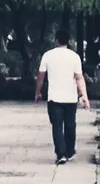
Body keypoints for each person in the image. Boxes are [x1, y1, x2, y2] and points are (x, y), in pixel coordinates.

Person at [35, 31, 88, 165]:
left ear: (56, 40)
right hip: (70, 97)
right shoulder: (74, 57)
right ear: (68, 41)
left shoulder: (48, 55)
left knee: (57, 126)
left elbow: (41, 76)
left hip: (54, 98)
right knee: (70, 125)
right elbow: (79, 77)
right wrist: (84, 96)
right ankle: (69, 150)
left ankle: (61, 153)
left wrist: (38, 92)